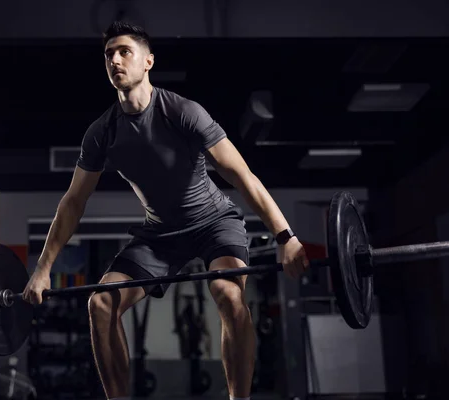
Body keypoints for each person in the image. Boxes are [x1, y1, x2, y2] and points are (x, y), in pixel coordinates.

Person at [23, 21, 309, 400]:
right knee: (101, 302)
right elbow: (73, 202)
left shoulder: (182, 111)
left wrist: (285, 237)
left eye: (125, 51)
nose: (115, 60)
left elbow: (242, 175)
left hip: (214, 223)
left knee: (227, 293)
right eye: (109, 54)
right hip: (160, 235)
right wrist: (42, 271)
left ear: (148, 62)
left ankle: (240, 398)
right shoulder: (101, 133)